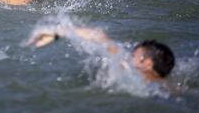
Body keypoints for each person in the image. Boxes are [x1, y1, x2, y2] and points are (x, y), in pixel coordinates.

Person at [25, 26, 175, 81]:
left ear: (146, 63)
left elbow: (98, 36)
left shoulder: (131, 74)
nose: (129, 56)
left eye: (134, 55)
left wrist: (55, 32)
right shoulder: (169, 87)